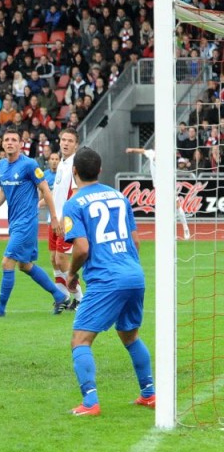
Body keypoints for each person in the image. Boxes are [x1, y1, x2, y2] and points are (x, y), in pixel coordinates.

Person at [63, 147, 154, 416]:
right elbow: (135, 241)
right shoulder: (119, 196)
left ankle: (90, 402)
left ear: (74, 171)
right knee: (130, 335)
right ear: (100, 170)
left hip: (107, 278)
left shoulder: (74, 203)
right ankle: (149, 394)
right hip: (133, 273)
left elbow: (81, 248)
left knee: (80, 340)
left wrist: (70, 273)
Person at [0, 127, 70, 318]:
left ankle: (0, 309)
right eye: (7, 140)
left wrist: (53, 217)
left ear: (20, 144)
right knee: (24, 265)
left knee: (7, 263)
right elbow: (2, 192)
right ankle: (59, 295)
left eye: (14, 140)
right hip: (14, 222)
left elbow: (46, 190)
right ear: (2, 144)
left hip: (27, 222)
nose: (10, 143)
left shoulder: (29, 165)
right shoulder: (2, 165)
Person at [49, 128, 84, 313]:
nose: (66, 143)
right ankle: (63, 298)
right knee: (53, 260)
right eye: (63, 139)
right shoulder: (61, 163)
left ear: (76, 144)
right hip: (55, 218)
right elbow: (59, 191)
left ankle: (80, 298)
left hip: (66, 220)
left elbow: (75, 193)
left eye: (70, 141)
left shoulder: (75, 164)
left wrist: (63, 218)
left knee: (61, 258)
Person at [125, 146, 191, 240]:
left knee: (177, 207)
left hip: (168, 185)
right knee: (165, 211)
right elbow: (143, 151)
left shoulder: (166, 157)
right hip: (158, 187)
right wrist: (132, 150)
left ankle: (185, 228)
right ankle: (172, 234)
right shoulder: (151, 153)